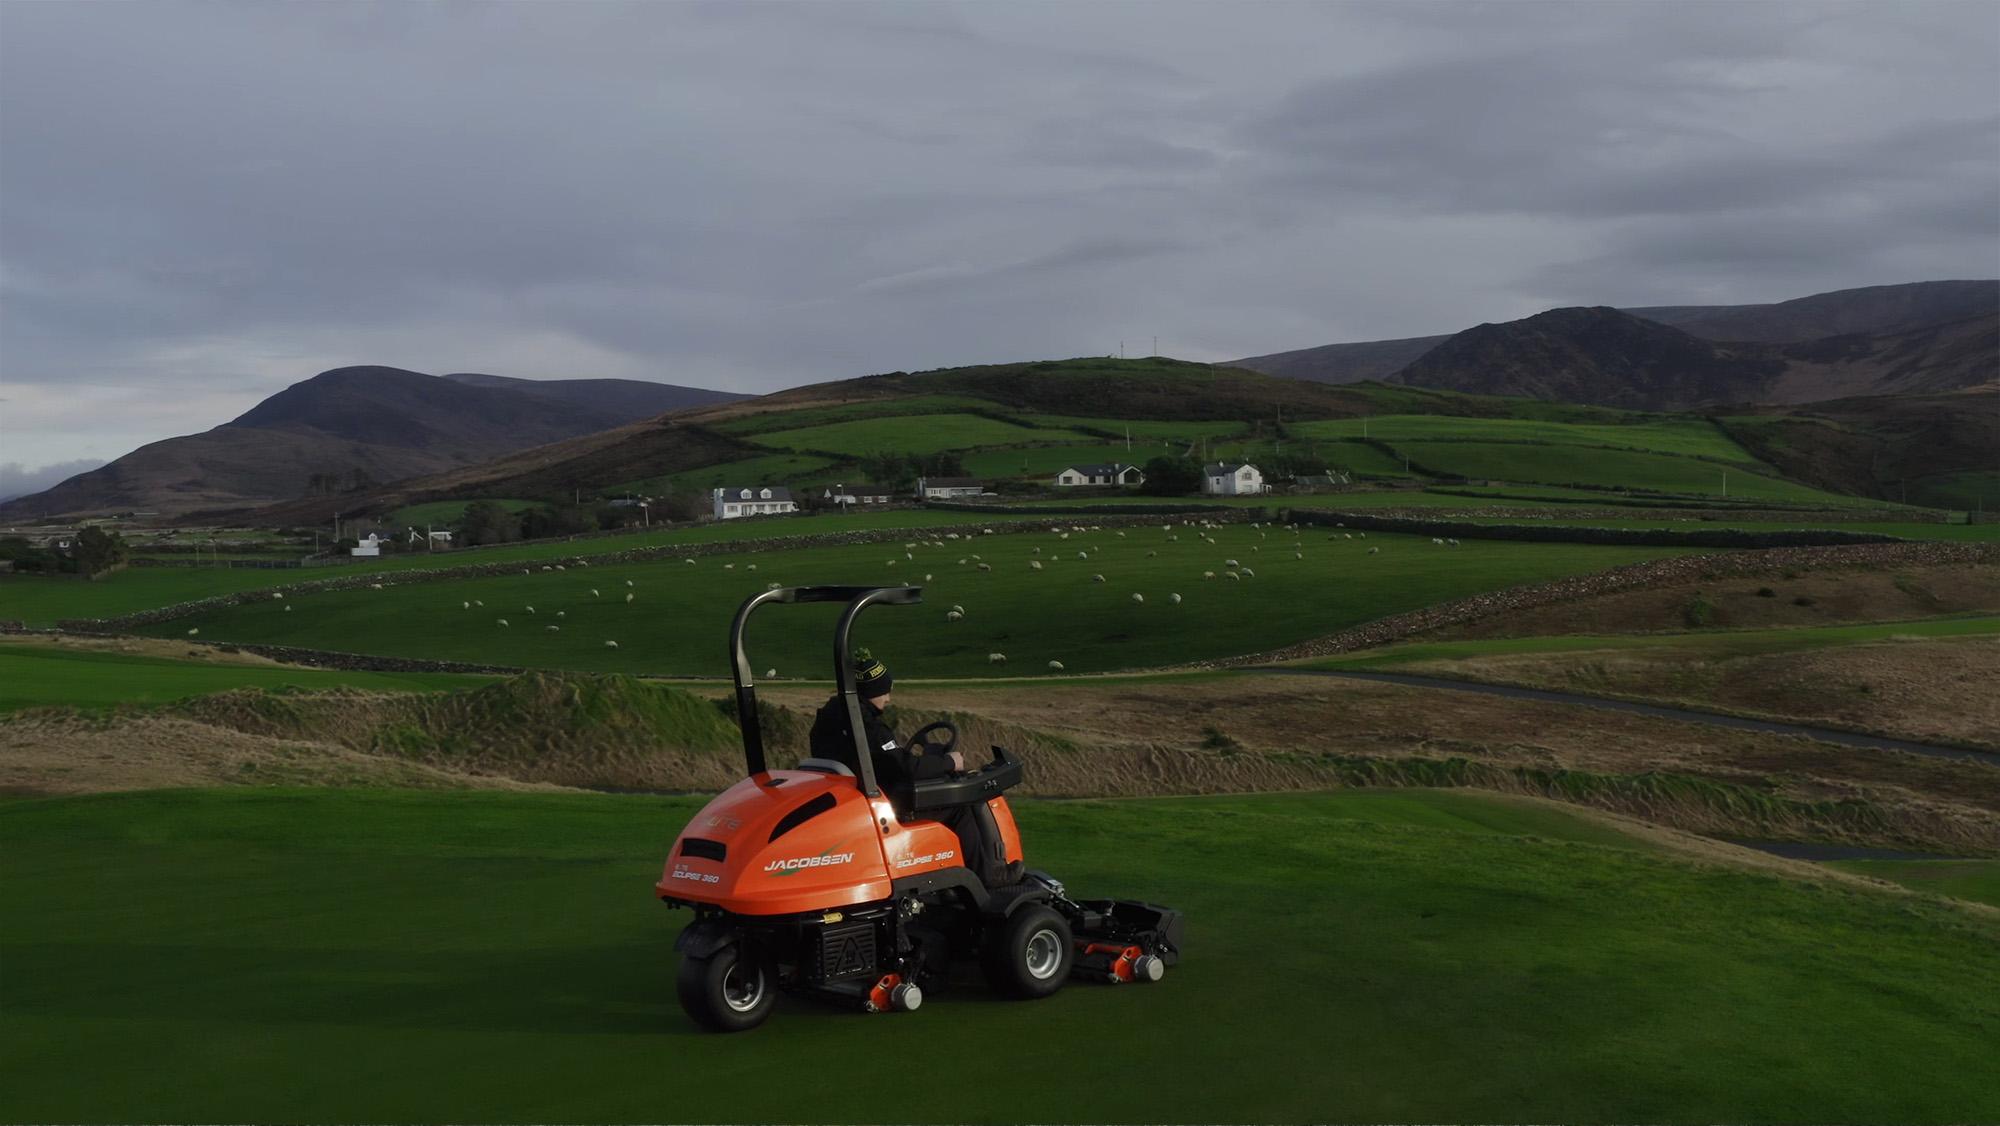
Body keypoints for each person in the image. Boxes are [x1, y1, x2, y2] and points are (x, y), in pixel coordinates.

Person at [808, 648, 1018, 887]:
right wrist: (950, 762)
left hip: (857, 794)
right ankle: (989, 874)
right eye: (885, 691)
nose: (888, 698)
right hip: (883, 802)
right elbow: (907, 768)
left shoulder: (831, 718)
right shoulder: (868, 727)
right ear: (872, 691)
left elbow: (891, 761)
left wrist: (923, 758)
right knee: (962, 806)